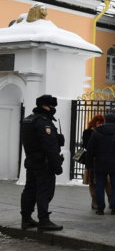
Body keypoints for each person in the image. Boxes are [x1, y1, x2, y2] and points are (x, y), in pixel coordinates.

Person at [20, 94, 64, 232]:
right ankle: (44, 220)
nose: (54, 109)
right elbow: (49, 145)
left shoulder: (29, 119)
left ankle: (26, 219)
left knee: (29, 190)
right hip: (44, 163)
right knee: (44, 191)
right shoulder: (43, 122)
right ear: (44, 106)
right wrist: (57, 165)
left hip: (31, 161)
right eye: (52, 106)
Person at [86, 113, 115, 215]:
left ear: (105, 120)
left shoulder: (97, 132)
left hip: (101, 161)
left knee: (100, 185)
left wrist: (89, 163)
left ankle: (100, 208)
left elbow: (90, 148)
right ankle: (114, 207)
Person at [82, 114, 106, 210]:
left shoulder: (104, 131)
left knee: (107, 181)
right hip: (92, 159)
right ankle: (94, 201)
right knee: (92, 181)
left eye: (102, 123)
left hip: (103, 158)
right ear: (94, 123)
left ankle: (110, 200)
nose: (101, 125)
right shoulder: (87, 132)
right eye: (99, 123)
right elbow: (86, 145)